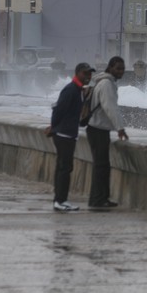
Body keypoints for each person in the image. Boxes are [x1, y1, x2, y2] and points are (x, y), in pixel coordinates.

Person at [47, 62, 96, 211]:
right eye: (85, 73)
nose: (88, 77)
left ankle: (60, 199)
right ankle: (60, 201)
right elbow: (58, 109)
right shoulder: (71, 90)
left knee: (63, 167)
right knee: (65, 168)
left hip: (67, 133)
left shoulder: (78, 90)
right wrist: (53, 127)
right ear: (77, 73)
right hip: (64, 134)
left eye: (89, 74)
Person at [86, 56, 128, 208]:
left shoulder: (105, 82)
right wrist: (120, 128)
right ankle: (98, 199)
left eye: (123, 69)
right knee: (101, 166)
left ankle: (101, 198)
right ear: (110, 68)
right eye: (118, 68)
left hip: (97, 129)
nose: (121, 72)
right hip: (98, 130)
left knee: (102, 165)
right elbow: (110, 107)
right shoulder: (106, 84)